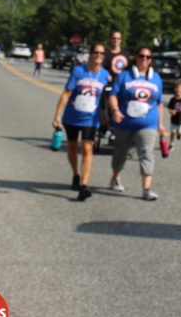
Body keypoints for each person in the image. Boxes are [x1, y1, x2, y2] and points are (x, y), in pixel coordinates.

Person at [52, 43, 110, 201]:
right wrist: (57, 115)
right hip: (72, 116)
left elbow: (105, 97)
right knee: (72, 146)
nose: (98, 55)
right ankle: (76, 175)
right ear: (90, 54)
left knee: (87, 148)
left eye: (102, 53)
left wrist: (104, 114)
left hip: (90, 118)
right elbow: (66, 93)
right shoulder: (78, 71)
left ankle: (84, 185)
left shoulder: (105, 75)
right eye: (96, 52)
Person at [108, 47, 165, 200]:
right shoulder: (124, 75)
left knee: (147, 153)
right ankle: (115, 177)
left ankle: (146, 190)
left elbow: (159, 103)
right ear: (136, 57)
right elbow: (113, 95)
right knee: (120, 152)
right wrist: (115, 110)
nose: (144, 59)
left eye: (148, 57)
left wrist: (160, 123)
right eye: (141, 56)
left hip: (147, 124)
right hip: (124, 123)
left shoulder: (156, 78)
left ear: (151, 60)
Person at [98, 30, 130, 143]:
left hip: (123, 86)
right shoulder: (105, 54)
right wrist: (106, 76)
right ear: (110, 39)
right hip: (109, 85)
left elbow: (130, 70)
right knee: (108, 104)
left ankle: (121, 127)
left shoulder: (125, 54)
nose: (116, 40)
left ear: (121, 40)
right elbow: (99, 68)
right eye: (114, 38)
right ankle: (106, 126)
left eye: (118, 38)